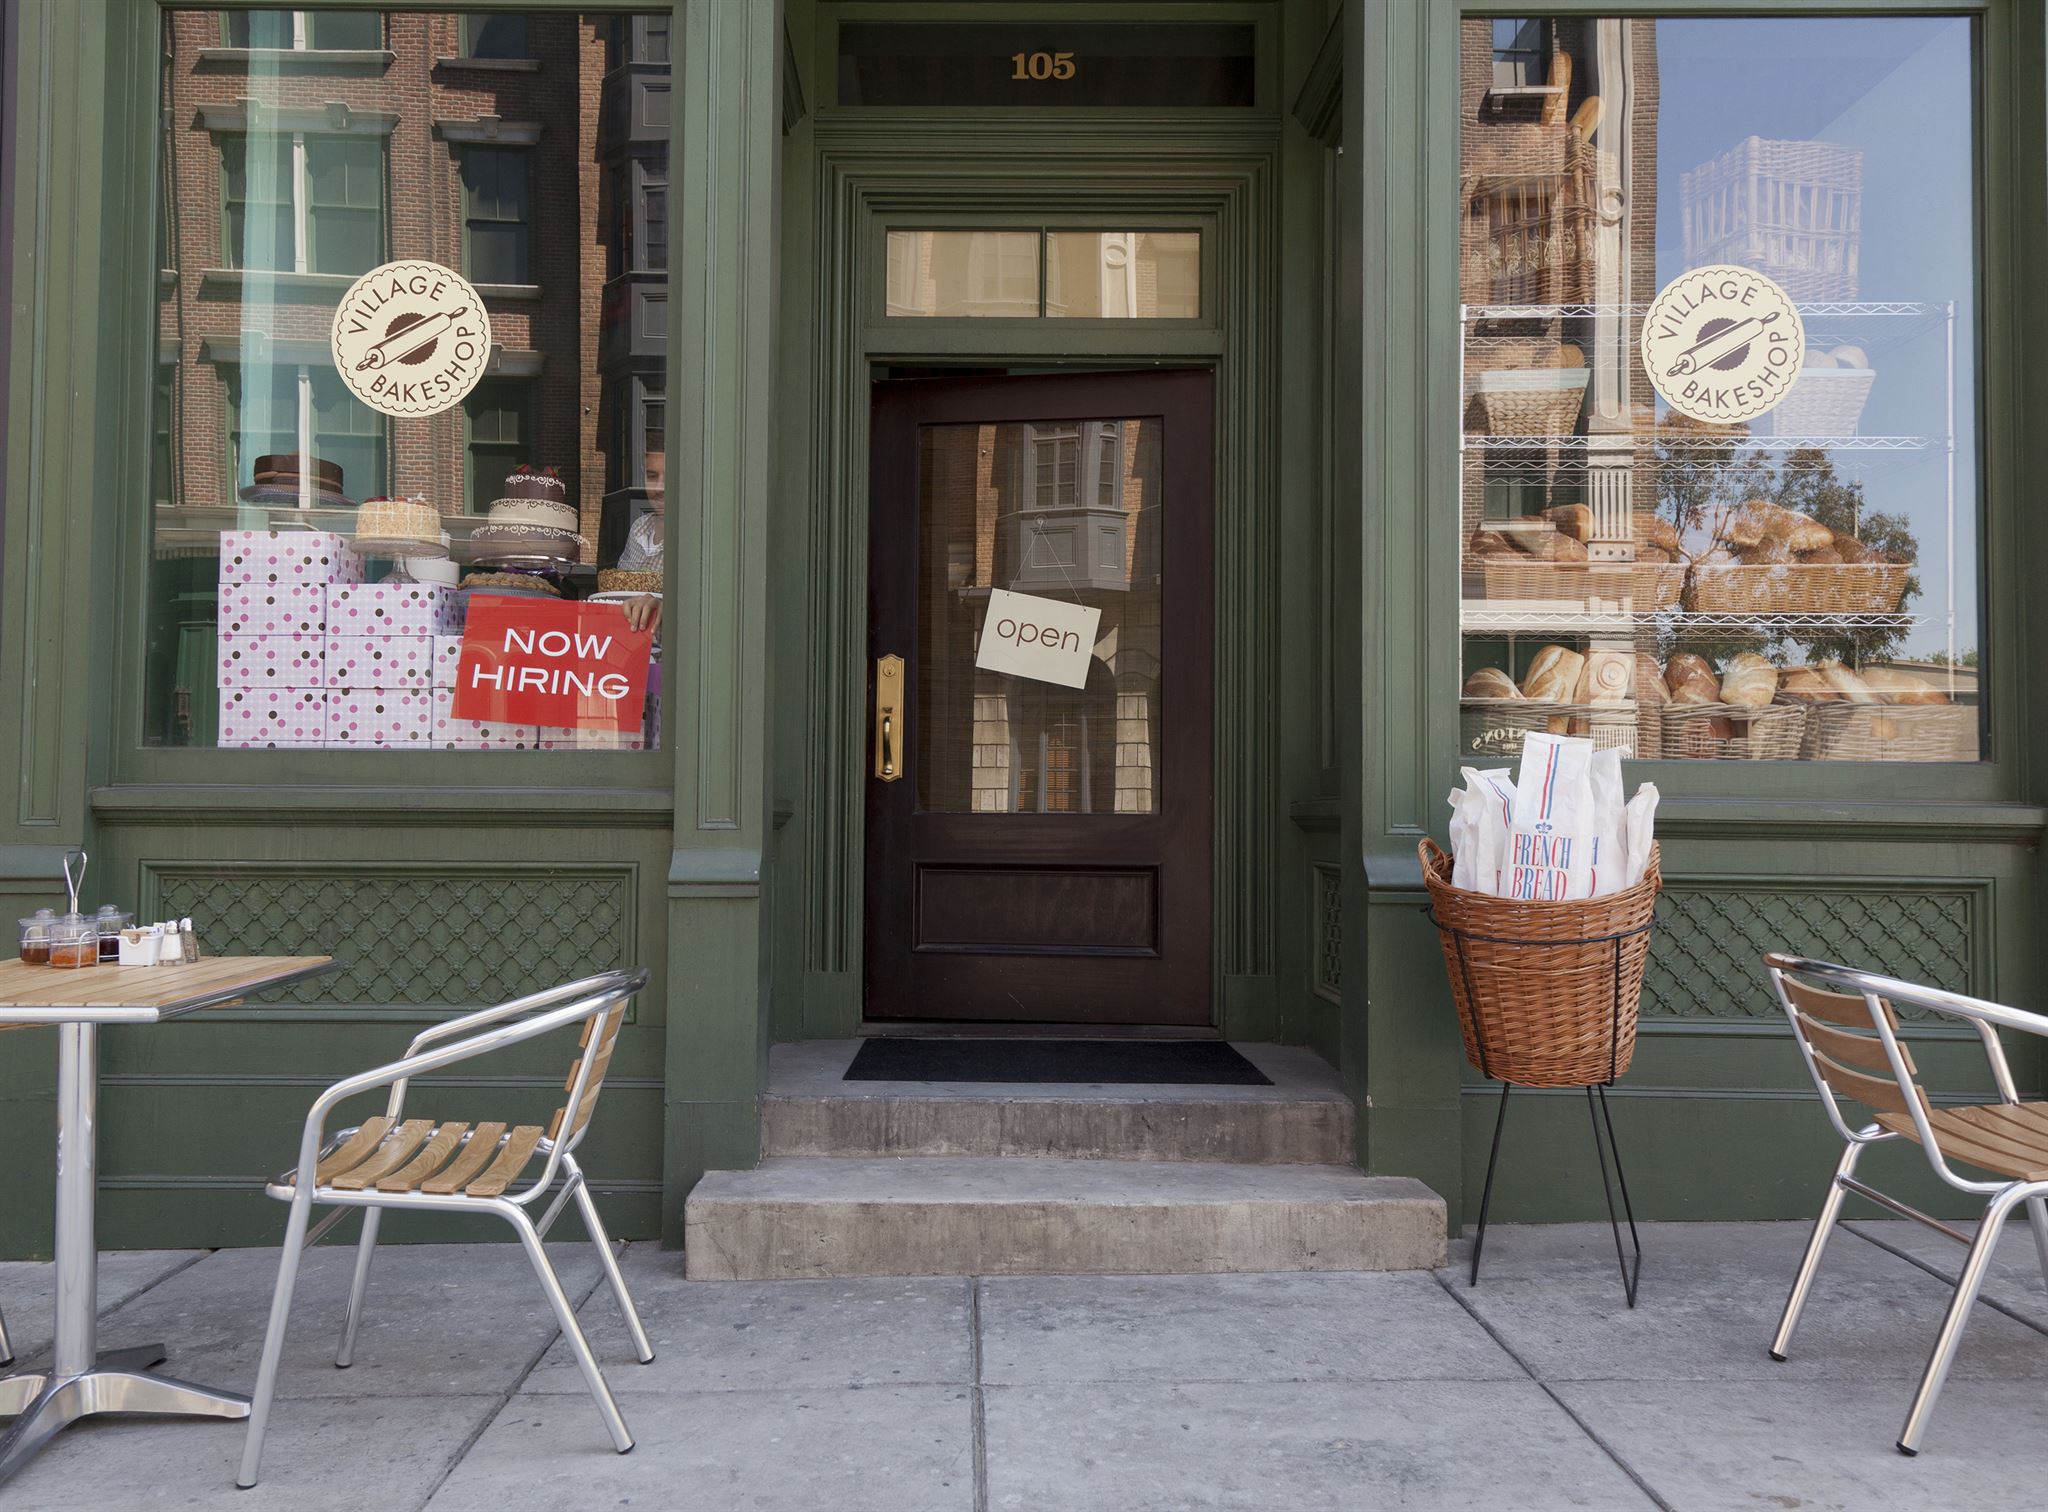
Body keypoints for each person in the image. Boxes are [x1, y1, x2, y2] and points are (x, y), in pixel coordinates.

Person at [618, 449, 664, 633]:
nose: (659, 488)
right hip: (632, 650)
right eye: (652, 476)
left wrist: (662, 602)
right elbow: (621, 589)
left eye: (671, 477)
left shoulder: (699, 537)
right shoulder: (639, 527)